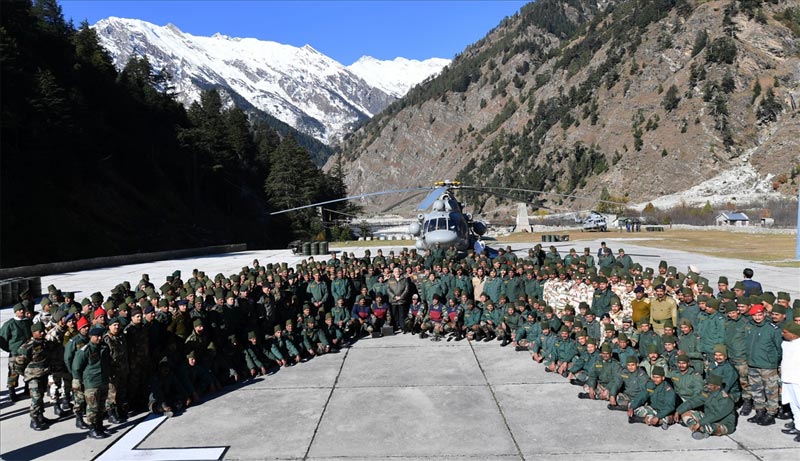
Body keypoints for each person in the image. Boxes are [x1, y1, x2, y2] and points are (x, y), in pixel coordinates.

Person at [744, 303, 783, 426]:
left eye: (760, 315)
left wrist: (773, 361)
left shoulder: (772, 329)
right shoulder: (749, 326)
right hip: (752, 364)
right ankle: (759, 411)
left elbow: (779, 348)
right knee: (756, 390)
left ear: (764, 314)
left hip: (768, 365)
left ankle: (771, 414)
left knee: (771, 390)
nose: (757, 317)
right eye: (755, 315)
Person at [72, 326, 112, 439]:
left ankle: (99, 425)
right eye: (96, 336)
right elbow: (76, 368)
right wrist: (83, 381)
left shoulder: (104, 347)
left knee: (101, 405)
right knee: (92, 407)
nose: (99, 338)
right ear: (90, 337)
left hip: (103, 381)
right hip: (91, 383)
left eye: (100, 336)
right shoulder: (85, 350)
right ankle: (92, 428)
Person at [15, 322, 54, 430]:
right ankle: (34, 420)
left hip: (43, 373)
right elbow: (19, 363)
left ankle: (41, 416)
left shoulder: (45, 343)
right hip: (33, 377)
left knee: (41, 396)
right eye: (39, 332)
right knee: (36, 398)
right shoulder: (27, 346)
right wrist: (26, 374)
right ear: (33, 333)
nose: (42, 333)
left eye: (43, 331)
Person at [678, 373, 737, 439]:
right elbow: (694, 401)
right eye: (708, 384)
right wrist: (678, 411)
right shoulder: (709, 393)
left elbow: (716, 414)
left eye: (711, 385)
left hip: (723, 423)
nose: (708, 386)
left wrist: (700, 423)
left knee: (709, 427)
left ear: (718, 387)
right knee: (685, 413)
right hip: (708, 418)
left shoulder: (726, 399)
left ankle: (703, 429)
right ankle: (698, 430)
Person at [0, 303, 32, 401]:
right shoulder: (9, 324)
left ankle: (27, 389)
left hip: (28, 352)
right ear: (15, 312)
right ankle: (12, 392)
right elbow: (2, 340)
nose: (22, 311)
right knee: (13, 373)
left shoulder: (28, 322)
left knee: (28, 371)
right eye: (19, 310)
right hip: (15, 353)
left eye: (23, 309)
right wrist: (11, 349)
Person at [780, 322, 800, 442]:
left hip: (797, 380)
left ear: (794, 334)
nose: (783, 334)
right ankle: (798, 427)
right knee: (793, 405)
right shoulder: (786, 344)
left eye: (785, 332)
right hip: (787, 379)